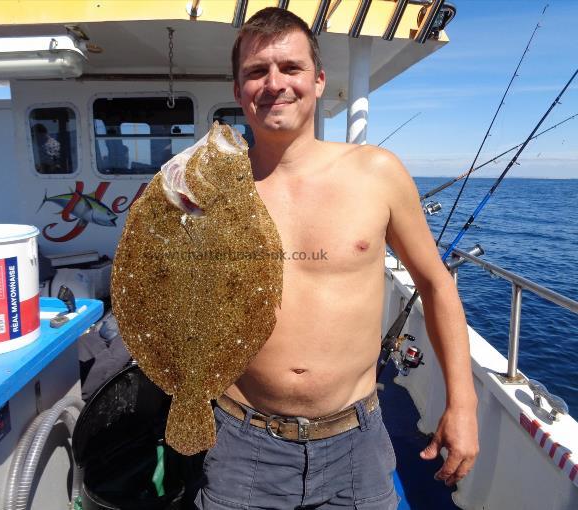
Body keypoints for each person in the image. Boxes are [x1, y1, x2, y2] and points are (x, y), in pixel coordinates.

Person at [193, 8, 479, 510]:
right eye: (256, 72)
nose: (274, 83)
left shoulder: (378, 173)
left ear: (320, 80)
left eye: (291, 68)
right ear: (239, 91)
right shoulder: (207, 186)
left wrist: (463, 404)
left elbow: (436, 285)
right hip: (241, 441)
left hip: (356, 442)